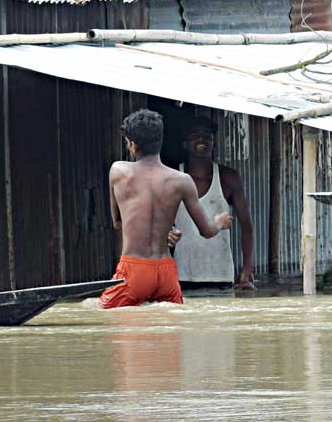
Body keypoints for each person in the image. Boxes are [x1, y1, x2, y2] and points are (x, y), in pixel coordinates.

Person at [102, 109, 231, 308]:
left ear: (132, 145)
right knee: (170, 334)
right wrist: (219, 222)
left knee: (104, 314)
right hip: (167, 273)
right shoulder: (182, 180)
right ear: (161, 141)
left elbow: (118, 222)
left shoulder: (118, 171)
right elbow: (206, 231)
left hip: (133, 269)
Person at [161, 118, 255, 290]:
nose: (201, 139)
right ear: (185, 143)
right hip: (182, 274)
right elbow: (158, 222)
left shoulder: (229, 178)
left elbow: (246, 226)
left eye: (207, 136)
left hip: (220, 273)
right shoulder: (173, 178)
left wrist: (247, 268)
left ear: (213, 142)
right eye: (195, 135)